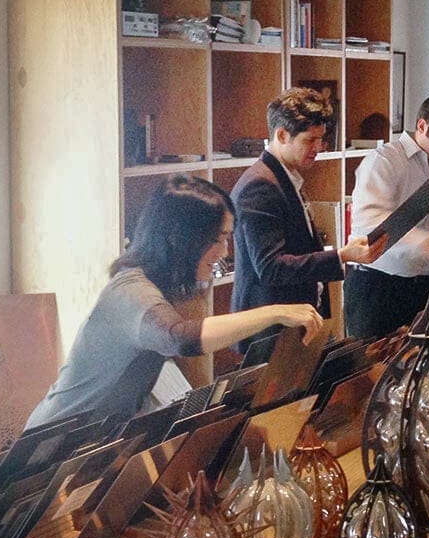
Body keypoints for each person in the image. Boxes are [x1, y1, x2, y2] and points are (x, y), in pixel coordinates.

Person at [24, 174, 322, 429]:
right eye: (218, 239)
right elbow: (179, 339)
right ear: (181, 239)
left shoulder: (154, 285)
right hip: (50, 447)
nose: (223, 251)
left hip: (90, 440)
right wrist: (275, 312)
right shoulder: (132, 291)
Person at [230, 88, 385, 351]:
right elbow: (271, 268)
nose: (319, 148)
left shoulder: (285, 176)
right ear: (281, 135)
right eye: (310, 140)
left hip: (294, 327)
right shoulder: (260, 186)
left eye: (321, 139)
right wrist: (341, 256)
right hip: (270, 335)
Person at [345, 93, 429, 339]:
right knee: (376, 370)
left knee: (428, 366)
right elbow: (370, 220)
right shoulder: (385, 161)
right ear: (422, 126)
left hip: (426, 285)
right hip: (378, 285)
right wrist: (427, 242)